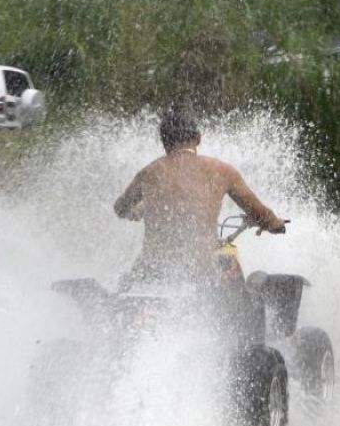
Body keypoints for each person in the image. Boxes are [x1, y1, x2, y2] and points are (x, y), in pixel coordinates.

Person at [114, 109, 286, 290]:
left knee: (131, 279)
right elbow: (260, 214)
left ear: (163, 142)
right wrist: (275, 224)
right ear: (198, 138)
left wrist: (135, 211)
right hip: (200, 270)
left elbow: (120, 208)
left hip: (154, 269)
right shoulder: (222, 171)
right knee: (231, 270)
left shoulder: (148, 173)